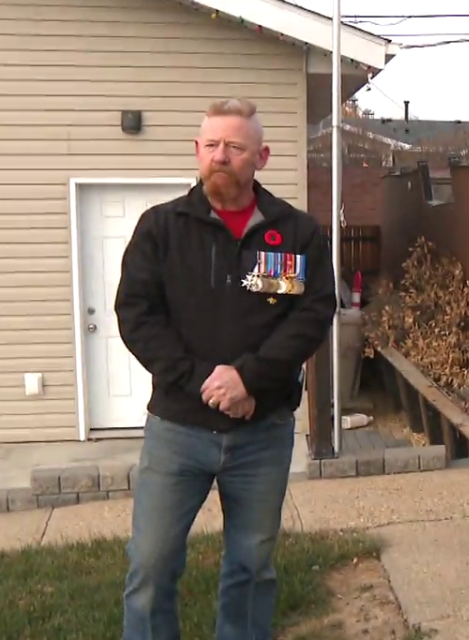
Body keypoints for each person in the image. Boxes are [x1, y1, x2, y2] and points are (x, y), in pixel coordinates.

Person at [114, 97, 338, 640]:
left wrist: (249, 380)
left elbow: (312, 313)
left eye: (235, 147)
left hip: (262, 433)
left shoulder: (298, 234)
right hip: (177, 430)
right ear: (197, 152)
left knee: (251, 568)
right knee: (151, 567)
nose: (221, 156)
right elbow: (136, 315)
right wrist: (206, 384)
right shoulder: (160, 229)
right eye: (211, 145)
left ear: (260, 157)